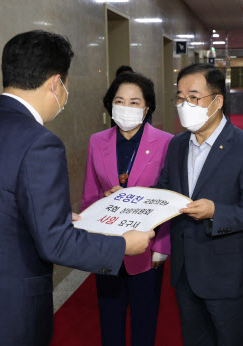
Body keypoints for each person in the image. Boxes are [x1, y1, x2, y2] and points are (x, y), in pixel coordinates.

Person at [0, 30, 154, 346]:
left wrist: (58, 216)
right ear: (55, 83)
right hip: (1, 314)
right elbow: (56, 244)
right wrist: (122, 245)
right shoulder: (39, 143)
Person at [107, 63, 243, 345]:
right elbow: (164, 191)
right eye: (180, 98)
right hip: (185, 273)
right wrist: (127, 198)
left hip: (228, 275)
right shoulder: (178, 144)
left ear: (217, 101)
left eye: (194, 97)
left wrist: (216, 211)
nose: (184, 105)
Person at [81, 72, 173, 346]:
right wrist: (90, 239)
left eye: (134, 102)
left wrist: (163, 245)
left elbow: (170, 199)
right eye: (120, 101)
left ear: (146, 108)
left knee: (145, 318)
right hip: (106, 246)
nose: (126, 107)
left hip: (147, 246)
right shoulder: (97, 141)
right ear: (110, 105)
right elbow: (89, 194)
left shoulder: (166, 142)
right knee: (110, 318)